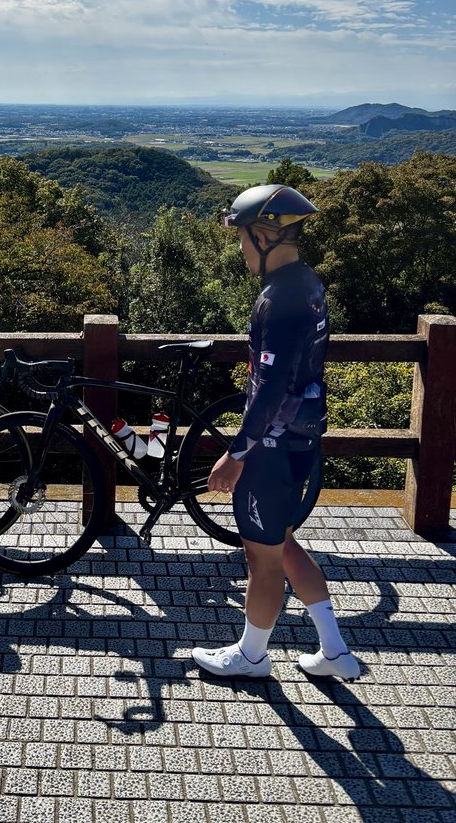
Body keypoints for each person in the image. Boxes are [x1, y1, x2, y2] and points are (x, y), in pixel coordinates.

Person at [191, 184, 360, 681]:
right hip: (301, 439)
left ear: (264, 236)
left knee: (261, 559)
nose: (241, 249)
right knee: (283, 544)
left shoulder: (279, 299)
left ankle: (251, 657)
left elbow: (268, 390)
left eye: (243, 238)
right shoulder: (308, 284)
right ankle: (334, 651)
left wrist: (236, 455)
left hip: (270, 448)